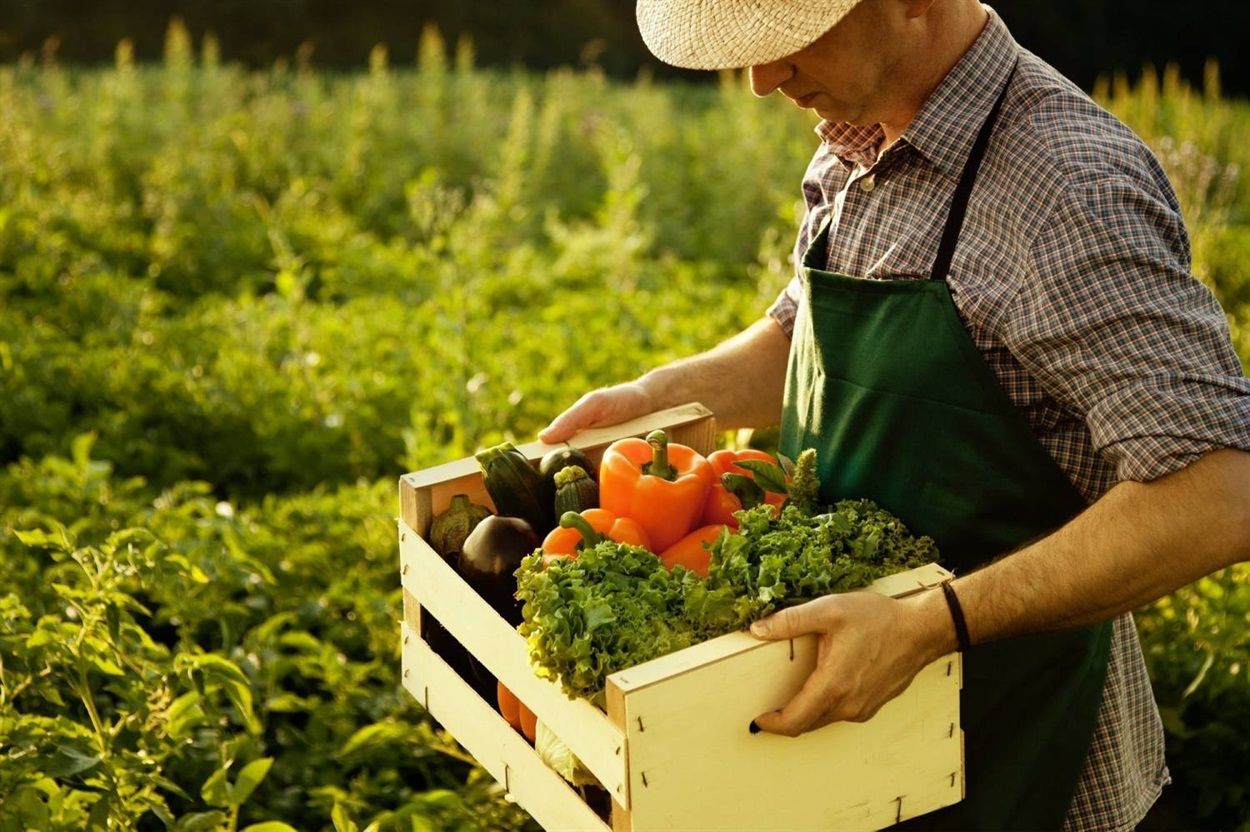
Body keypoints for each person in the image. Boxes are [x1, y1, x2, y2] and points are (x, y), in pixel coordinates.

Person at [539, 0, 1250, 828]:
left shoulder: (1063, 186)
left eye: (789, 40)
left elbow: (1220, 491)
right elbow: (808, 332)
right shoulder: (862, 138)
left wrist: (928, 625)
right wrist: (661, 394)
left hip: (1017, 752)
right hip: (852, 749)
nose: (762, 81)